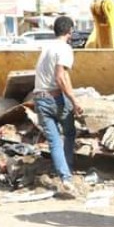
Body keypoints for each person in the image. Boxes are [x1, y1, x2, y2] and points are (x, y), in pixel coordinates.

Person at [33, 15, 85, 199]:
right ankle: (68, 169)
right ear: (70, 31)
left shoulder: (47, 47)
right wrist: (74, 100)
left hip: (39, 98)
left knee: (54, 140)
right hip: (55, 99)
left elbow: (62, 76)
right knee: (69, 133)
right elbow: (60, 77)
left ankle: (65, 177)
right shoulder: (64, 49)